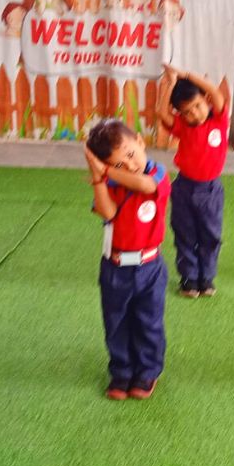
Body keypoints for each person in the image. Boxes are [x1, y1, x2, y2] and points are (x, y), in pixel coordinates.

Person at [85, 119, 170, 400]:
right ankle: (121, 371)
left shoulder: (158, 173)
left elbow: (145, 185)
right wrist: (98, 177)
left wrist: (108, 169)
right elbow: (106, 212)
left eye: (131, 154)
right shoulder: (110, 181)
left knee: (149, 322)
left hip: (149, 267)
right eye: (120, 164)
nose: (130, 165)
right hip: (115, 267)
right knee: (116, 322)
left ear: (140, 142)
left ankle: (147, 372)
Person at [156, 65, 228, 298]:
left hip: (211, 190)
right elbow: (162, 112)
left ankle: (206, 278)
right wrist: (170, 82)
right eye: (186, 111)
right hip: (184, 188)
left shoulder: (218, 120)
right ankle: (189, 279)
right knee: (185, 234)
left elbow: (216, 94)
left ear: (205, 100)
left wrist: (186, 76)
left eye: (198, 106)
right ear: (180, 114)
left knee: (210, 235)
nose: (194, 114)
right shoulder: (182, 126)